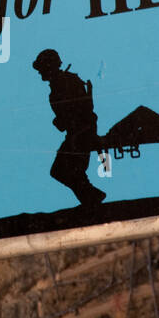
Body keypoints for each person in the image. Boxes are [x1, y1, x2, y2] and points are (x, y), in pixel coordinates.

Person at [32, 49, 106, 208]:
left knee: (63, 170)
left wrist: (62, 124)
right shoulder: (61, 83)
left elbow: (80, 111)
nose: (40, 73)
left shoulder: (63, 83)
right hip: (78, 133)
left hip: (80, 133)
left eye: (42, 69)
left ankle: (92, 198)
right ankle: (92, 197)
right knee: (67, 170)